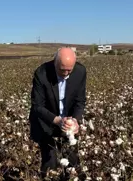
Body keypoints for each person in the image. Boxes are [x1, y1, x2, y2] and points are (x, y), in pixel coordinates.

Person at [28, 47, 87, 180]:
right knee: (50, 163)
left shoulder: (80, 72)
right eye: (62, 69)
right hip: (46, 121)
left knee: (73, 162)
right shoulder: (41, 73)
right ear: (55, 62)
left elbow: (80, 101)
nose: (66, 73)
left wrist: (76, 120)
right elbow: (37, 106)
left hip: (68, 122)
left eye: (69, 70)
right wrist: (57, 120)